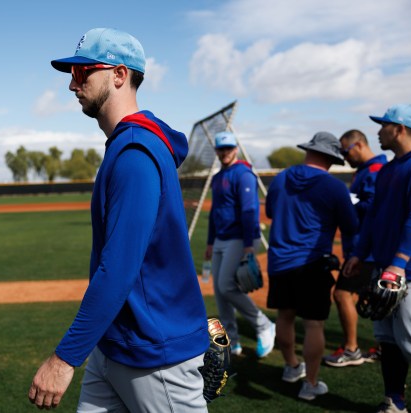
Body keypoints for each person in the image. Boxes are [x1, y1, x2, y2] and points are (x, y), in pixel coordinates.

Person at [28, 28, 210, 412]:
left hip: (155, 355)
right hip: (115, 343)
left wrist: (64, 358)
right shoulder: (127, 145)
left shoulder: (134, 153)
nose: (72, 84)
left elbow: (119, 269)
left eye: (83, 73)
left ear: (119, 75)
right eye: (71, 74)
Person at [265, 132, 358, 401]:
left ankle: (291, 366)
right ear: (330, 158)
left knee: (285, 316)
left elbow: (271, 212)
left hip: (279, 261)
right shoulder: (334, 187)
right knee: (314, 324)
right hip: (312, 263)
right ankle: (311, 383)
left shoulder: (282, 177)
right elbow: (351, 226)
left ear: (309, 151)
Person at [343, 104, 411, 413]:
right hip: (383, 267)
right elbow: (374, 217)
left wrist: (399, 262)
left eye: (383, 126)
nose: (378, 131)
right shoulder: (389, 169)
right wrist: (360, 253)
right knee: (387, 341)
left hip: (410, 270)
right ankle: (394, 401)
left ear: (399, 129)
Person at [204, 131, 275, 358]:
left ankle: (264, 325)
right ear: (217, 151)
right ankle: (231, 342)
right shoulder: (217, 177)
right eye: (221, 149)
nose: (224, 152)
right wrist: (209, 241)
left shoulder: (244, 174)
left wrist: (249, 245)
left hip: (238, 238)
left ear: (235, 149)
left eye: (228, 148)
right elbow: (215, 212)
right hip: (221, 239)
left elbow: (249, 210)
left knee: (227, 286)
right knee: (219, 291)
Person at [323, 130, 386, 367]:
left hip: (367, 249)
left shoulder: (375, 170)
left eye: (346, 151)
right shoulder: (364, 171)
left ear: (358, 145)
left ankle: (351, 349)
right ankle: (383, 348)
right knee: (375, 300)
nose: (345, 157)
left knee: (342, 294)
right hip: (360, 247)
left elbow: (375, 207)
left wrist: (346, 200)